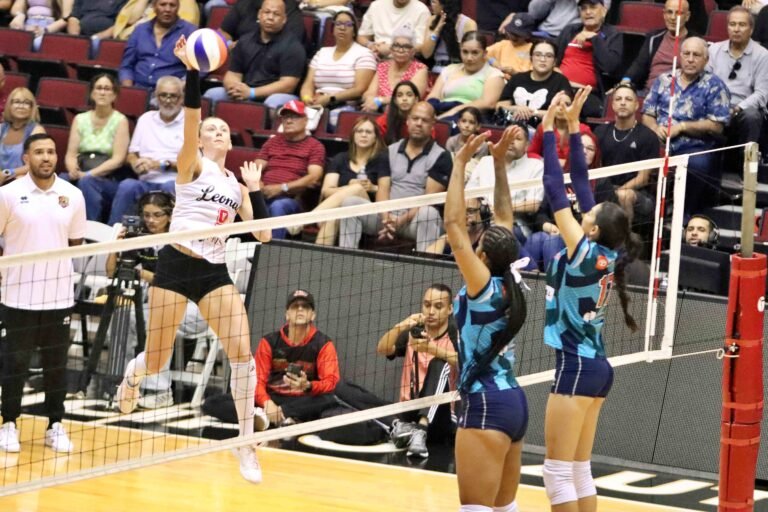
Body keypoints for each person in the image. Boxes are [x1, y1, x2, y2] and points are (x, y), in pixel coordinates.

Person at [116, 35, 272, 484]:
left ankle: (245, 443)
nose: (218, 132)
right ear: (201, 139)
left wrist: (257, 192)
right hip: (175, 265)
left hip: (213, 272)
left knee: (242, 355)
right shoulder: (192, 164)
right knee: (158, 361)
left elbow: (262, 234)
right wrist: (192, 72)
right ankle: (132, 376)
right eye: (211, 129)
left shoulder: (238, 186)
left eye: (224, 130)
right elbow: (190, 116)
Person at [538, 87, 640, 512]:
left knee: (558, 473)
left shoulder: (582, 250)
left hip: (578, 366)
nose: (585, 212)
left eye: (589, 216)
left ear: (593, 230)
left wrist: (547, 133)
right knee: (579, 470)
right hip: (596, 366)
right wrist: (575, 128)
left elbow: (554, 187)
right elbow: (580, 183)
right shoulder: (607, 252)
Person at [444, 125, 529, 512]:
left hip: (484, 404)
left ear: (483, 256)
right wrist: (497, 164)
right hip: (513, 402)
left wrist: (460, 164)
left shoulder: (482, 286)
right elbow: (505, 214)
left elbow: (453, 227)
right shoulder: (510, 277)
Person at [0, 133, 86, 454]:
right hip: (17, 295)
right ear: (26, 158)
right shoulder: (8, 195)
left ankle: (55, 424)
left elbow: (75, 242)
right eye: (39, 152)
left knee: (56, 365)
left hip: (58, 297)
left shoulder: (73, 195)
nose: (46, 157)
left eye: (51, 151)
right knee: (15, 364)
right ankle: (9, 423)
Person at [105, 191, 201, 408]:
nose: (151, 221)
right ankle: (123, 385)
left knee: (157, 321)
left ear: (170, 215)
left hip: (196, 307)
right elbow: (112, 273)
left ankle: (160, 391)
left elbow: (178, 283)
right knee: (122, 318)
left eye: (157, 215)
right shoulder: (140, 237)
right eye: (147, 215)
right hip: (159, 304)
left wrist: (143, 274)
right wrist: (115, 248)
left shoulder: (182, 239)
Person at [338, 102, 452, 252]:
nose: (418, 123)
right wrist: (386, 218)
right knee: (350, 203)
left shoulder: (442, 156)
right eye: (415, 118)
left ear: (432, 124)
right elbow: (383, 188)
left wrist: (400, 221)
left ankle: (425, 269)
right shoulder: (389, 151)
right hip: (386, 216)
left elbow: (428, 199)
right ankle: (345, 259)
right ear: (408, 120)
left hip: (414, 221)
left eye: (424, 120)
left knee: (429, 213)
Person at [642, 37, 730, 215]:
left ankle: (685, 214)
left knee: (698, 165)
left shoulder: (715, 85)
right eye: (686, 54)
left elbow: (717, 125)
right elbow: (647, 114)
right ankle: (646, 211)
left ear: (706, 60)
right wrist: (654, 128)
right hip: (658, 142)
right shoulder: (664, 80)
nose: (690, 59)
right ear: (680, 56)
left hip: (693, 146)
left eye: (696, 55)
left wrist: (682, 127)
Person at [376, 284, 458, 458]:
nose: (431, 312)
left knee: (439, 363)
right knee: (347, 390)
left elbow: (466, 362)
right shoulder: (414, 333)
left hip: (440, 417)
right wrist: (402, 326)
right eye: (427, 305)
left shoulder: (455, 335)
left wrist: (432, 349)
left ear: (450, 309)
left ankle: (420, 429)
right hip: (409, 411)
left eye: (438, 306)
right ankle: (407, 429)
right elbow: (383, 349)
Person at [256, 289, 341, 425]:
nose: (300, 309)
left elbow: (332, 382)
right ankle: (280, 418)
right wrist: (267, 403)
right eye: (295, 306)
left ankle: (277, 416)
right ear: (287, 314)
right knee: (214, 403)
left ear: (312, 315)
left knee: (331, 399)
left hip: (305, 400)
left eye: (305, 307)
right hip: (273, 398)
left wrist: (308, 385)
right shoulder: (268, 342)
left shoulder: (323, 344)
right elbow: (257, 382)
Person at [108, 76, 184, 225]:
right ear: (156, 97)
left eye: (173, 96)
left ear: (181, 98)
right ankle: (114, 236)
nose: (168, 100)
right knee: (127, 185)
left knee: (170, 186)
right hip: (145, 180)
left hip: (173, 181)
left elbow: (196, 166)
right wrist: (136, 163)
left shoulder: (192, 122)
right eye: (163, 95)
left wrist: (163, 165)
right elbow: (131, 154)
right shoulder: (145, 119)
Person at [203, 0, 307, 110]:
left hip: (274, 94)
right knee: (213, 94)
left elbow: (288, 85)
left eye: (276, 14)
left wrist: (252, 92)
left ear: (284, 19)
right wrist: (235, 88)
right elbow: (233, 74)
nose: (270, 17)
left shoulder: (293, 46)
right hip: (245, 89)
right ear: (259, 15)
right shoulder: (245, 41)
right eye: (267, 12)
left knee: (274, 102)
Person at [253, 100, 325, 239]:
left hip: (291, 199)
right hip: (263, 193)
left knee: (278, 206)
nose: (289, 121)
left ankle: (270, 252)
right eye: (285, 117)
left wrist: (282, 188)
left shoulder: (315, 146)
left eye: (294, 117)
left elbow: (314, 176)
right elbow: (255, 168)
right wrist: (258, 184)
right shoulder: (272, 141)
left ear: (305, 120)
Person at [64, 74, 131, 222]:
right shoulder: (80, 119)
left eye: (107, 89)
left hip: (106, 178)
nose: (102, 92)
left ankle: (88, 232)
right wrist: (72, 169)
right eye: (99, 88)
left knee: (87, 183)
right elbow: (70, 154)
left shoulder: (120, 120)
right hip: (81, 169)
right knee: (61, 180)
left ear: (114, 95)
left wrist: (88, 174)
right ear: (92, 93)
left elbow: (118, 160)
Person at [314, 117, 387, 246]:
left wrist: (372, 188)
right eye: (359, 131)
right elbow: (326, 191)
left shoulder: (382, 159)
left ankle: (310, 217)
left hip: (371, 213)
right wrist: (348, 188)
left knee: (358, 189)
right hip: (342, 210)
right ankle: (316, 261)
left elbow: (388, 191)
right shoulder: (340, 158)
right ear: (353, 135)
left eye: (368, 132)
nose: (363, 135)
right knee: (333, 215)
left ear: (375, 137)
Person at [593, 83, 660, 224]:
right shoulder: (600, 132)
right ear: (612, 105)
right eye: (618, 99)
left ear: (636, 105)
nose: (623, 102)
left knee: (624, 196)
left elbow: (642, 179)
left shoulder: (648, 136)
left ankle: (624, 242)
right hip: (605, 188)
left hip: (639, 194)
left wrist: (613, 195)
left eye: (628, 99)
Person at [298, 9, 377, 128]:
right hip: (317, 101)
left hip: (344, 104)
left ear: (354, 31)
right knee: (293, 115)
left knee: (334, 118)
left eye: (348, 24)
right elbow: (308, 83)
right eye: (338, 24)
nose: (342, 28)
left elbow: (359, 90)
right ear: (333, 29)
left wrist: (330, 98)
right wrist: (307, 98)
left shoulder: (364, 53)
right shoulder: (322, 52)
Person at [707, 6, 768, 154]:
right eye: (732, 24)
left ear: (751, 29)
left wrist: (737, 108)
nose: (736, 29)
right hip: (716, 106)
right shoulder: (714, 50)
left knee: (752, 115)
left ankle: (746, 166)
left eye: (742, 25)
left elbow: (762, 94)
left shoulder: (763, 55)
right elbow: (705, 83)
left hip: (743, 108)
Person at [555, 0, 622, 118]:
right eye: (584, 8)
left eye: (593, 7)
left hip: (587, 93)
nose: (588, 12)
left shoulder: (613, 35)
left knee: (588, 110)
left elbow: (610, 66)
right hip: (559, 88)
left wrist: (595, 39)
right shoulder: (570, 31)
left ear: (604, 11)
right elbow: (554, 58)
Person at [426, 31, 505, 122]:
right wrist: (427, 112)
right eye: (465, 52)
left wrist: (457, 110)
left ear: (484, 53)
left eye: (475, 53)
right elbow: (433, 96)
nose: (469, 58)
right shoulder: (449, 69)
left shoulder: (493, 74)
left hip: (469, 118)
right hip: (442, 110)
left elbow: (488, 103)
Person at [118, 0, 196, 90]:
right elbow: (127, 66)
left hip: (170, 95)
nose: (167, 9)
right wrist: (129, 90)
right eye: (163, 5)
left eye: (172, 5)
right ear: (154, 7)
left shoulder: (190, 32)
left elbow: (199, 67)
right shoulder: (140, 30)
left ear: (178, 7)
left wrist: (182, 85)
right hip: (139, 89)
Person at [496, 40, 572, 132]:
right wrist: (517, 108)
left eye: (548, 56)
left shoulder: (560, 81)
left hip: (545, 131)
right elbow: (500, 106)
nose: (542, 59)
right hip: (513, 128)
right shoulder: (517, 78)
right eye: (538, 54)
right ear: (531, 58)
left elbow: (564, 111)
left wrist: (533, 112)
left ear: (555, 61)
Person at [622, 0, 693, 92]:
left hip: (677, 96)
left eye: (678, 13)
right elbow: (639, 65)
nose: (673, 17)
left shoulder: (695, 42)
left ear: (687, 16)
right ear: (664, 14)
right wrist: (624, 82)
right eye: (669, 12)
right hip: (649, 92)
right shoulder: (654, 38)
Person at [361, 26, 428, 114]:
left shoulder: (420, 69)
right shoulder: (383, 67)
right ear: (391, 49)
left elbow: (411, 98)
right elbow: (369, 92)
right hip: (379, 111)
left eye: (406, 47)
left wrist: (380, 100)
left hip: (406, 114)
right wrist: (370, 99)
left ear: (413, 51)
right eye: (396, 46)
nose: (400, 50)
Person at [357, 0, 431, 59]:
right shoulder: (376, 5)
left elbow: (420, 45)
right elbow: (361, 36)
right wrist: (371, 45)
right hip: (375, 55)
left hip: (405, 57)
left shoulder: (421, 10)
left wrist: (391, 48)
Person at [0, 87, 46, 183]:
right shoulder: (1, 128)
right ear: (9, 105)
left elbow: (37, 164)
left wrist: (7, 173)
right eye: (16, 102)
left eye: (26, 103)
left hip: (24, 179)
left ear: (32, 107)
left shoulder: (37, 130)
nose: (21, 106)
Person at [420, 0, 477, 73]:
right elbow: (426, 54)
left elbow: (471, 54)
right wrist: (437, 30)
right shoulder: (432, 20)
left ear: (444, 5)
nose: (431, 5)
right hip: (437, 69)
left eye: (433, 2)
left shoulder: (468, 24)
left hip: (459, 71)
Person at [486, 13, 534, 80]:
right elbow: (483, 54)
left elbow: (533, 75)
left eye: (518, 35)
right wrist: (496, 64)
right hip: (500, 79)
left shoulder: (532, 49)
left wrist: (514, 73)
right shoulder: (503, 44)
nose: (513, 37)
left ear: (527, 35)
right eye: (512, 33)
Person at [376, 80, 421, 144]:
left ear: (416, 100)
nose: (404, 99)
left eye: (409, 95)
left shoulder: (422, 122)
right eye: (400, 95)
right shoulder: (383, 121)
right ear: (395, 101)